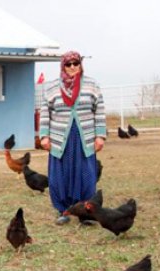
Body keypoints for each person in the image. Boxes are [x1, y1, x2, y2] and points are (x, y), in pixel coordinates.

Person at [38, 51, 105, 225]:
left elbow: (99, 111)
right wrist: (44, 136)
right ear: (63, 66)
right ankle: (63, 210)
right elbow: (45, 112)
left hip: (85, 139)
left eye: (76, 63)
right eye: (69, 64)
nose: (73, 67)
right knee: (60, 176)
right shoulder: (52, 87)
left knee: (87, 175)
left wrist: (100, 136)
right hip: (61, 140)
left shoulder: (92, 85)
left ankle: (86, 213)